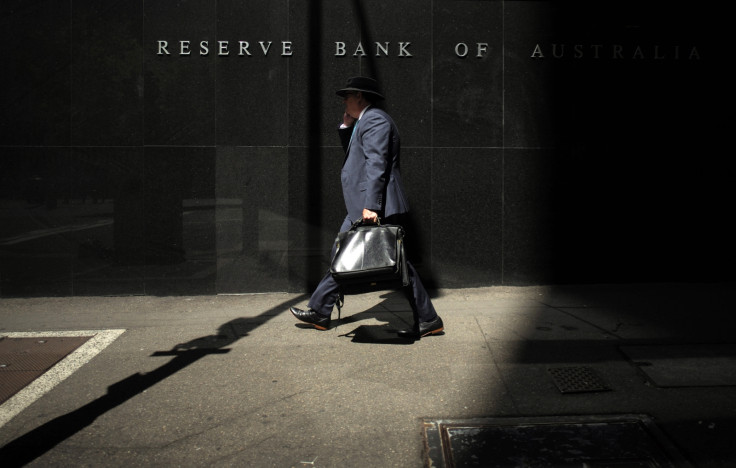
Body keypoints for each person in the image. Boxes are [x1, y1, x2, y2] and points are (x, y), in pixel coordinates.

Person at [290, 76, 444, 338]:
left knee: (394, 263)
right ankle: (320, 310)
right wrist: (346, 126)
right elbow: (357, 156)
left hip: (373, 205)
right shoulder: (365, 121)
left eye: (347, 97)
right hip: (363, 205)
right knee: (349, 255)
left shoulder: (375, 120)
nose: (344, 101)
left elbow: (376, 163)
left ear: (359, 96)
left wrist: (371, 206)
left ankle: (428, 319)